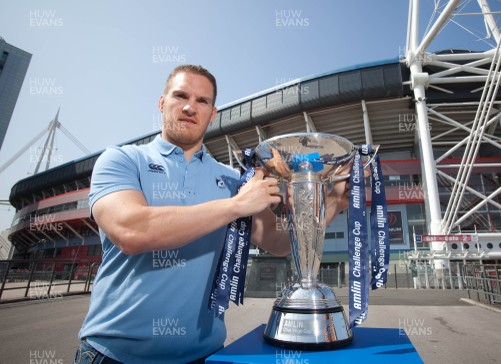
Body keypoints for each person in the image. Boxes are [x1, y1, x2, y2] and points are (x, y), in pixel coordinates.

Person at [74, 65, 349, 364]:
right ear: (161, 102)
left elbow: (278, 240)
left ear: (213, 113)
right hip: (114, 355)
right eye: (180, 96)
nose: (190, 107)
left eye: (202, 101)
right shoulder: (122, 159)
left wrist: (332, 202)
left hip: (206, 355)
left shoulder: (232, 180)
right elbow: (131, 230)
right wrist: (236, 206)